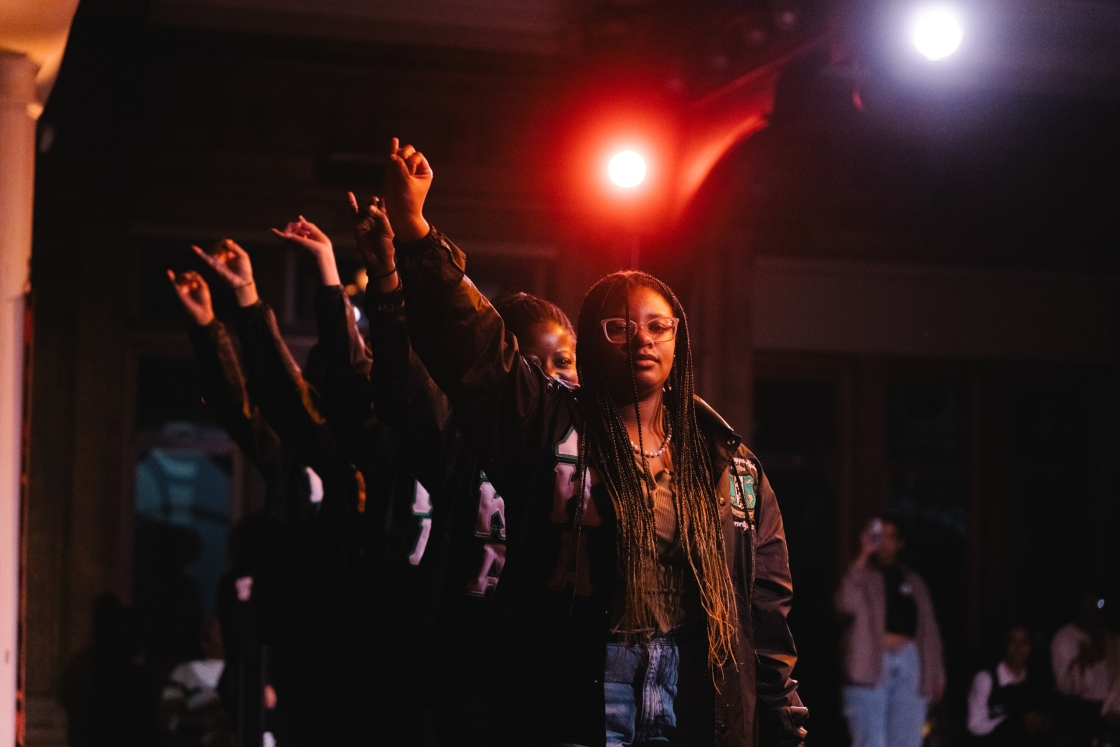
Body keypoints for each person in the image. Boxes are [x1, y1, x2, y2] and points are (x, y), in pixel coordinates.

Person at [360, 138, 807, 747]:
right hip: (580, 683)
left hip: (693, 690)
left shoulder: (729, 462)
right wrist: (414, 230)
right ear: (594, 344)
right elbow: (476, 349)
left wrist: (779, 714)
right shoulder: (549, 422)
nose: (642, 340)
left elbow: (764, 606)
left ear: (679, 340)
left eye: (657, 327)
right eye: (618, 328)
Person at [836, 516, 945, 747]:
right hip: (870, 663)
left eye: (891, 536)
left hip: (910, 663)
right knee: (871, 741)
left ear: (900, 543)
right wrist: (863, 554)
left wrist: (936, 672)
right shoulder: (861, 575)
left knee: (907, 741)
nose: (885, 542)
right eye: (879, 535)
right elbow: (844, 603)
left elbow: (929, 629)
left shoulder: (913, 581)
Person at [1051, 591, 1120, 746]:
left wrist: (1116, 708)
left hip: (1111, 715)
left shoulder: (1112, 639)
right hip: (1078, 715)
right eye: (1087, 603)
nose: (1093, 608)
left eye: (1098, 603)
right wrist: (1084, 662)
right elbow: (1063, 687)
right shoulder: (1064, 637)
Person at [967, 625, 1052, 746]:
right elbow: (974, 727)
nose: (1018, 648)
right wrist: (1015, 721)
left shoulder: (1036, 678)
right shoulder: (986, 678)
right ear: (1005, 644)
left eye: (1024, 642)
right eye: (1012, 641)